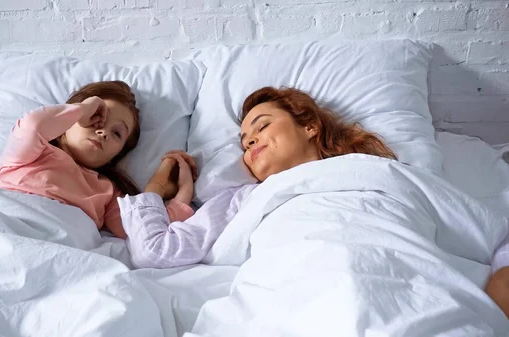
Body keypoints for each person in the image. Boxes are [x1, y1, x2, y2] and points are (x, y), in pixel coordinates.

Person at [122, 86, 509, 319]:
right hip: (294, 296)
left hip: (409, 288)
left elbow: (497, 235)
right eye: (243, 141)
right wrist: (157, 188)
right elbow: (156, 252)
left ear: (309, 126)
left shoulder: (379, 172)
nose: (250, 141)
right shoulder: (244, 199)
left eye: (262, 125)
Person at [0, 81, 193, 239]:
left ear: (117, 155)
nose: (103, 132)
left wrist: (168, 188)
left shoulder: (106, 191)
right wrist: (82, 110)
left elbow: (143, 228)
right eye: (96, 118)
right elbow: (33, 125)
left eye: (117, 133)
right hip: (3, 223)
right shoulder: (33, 153)